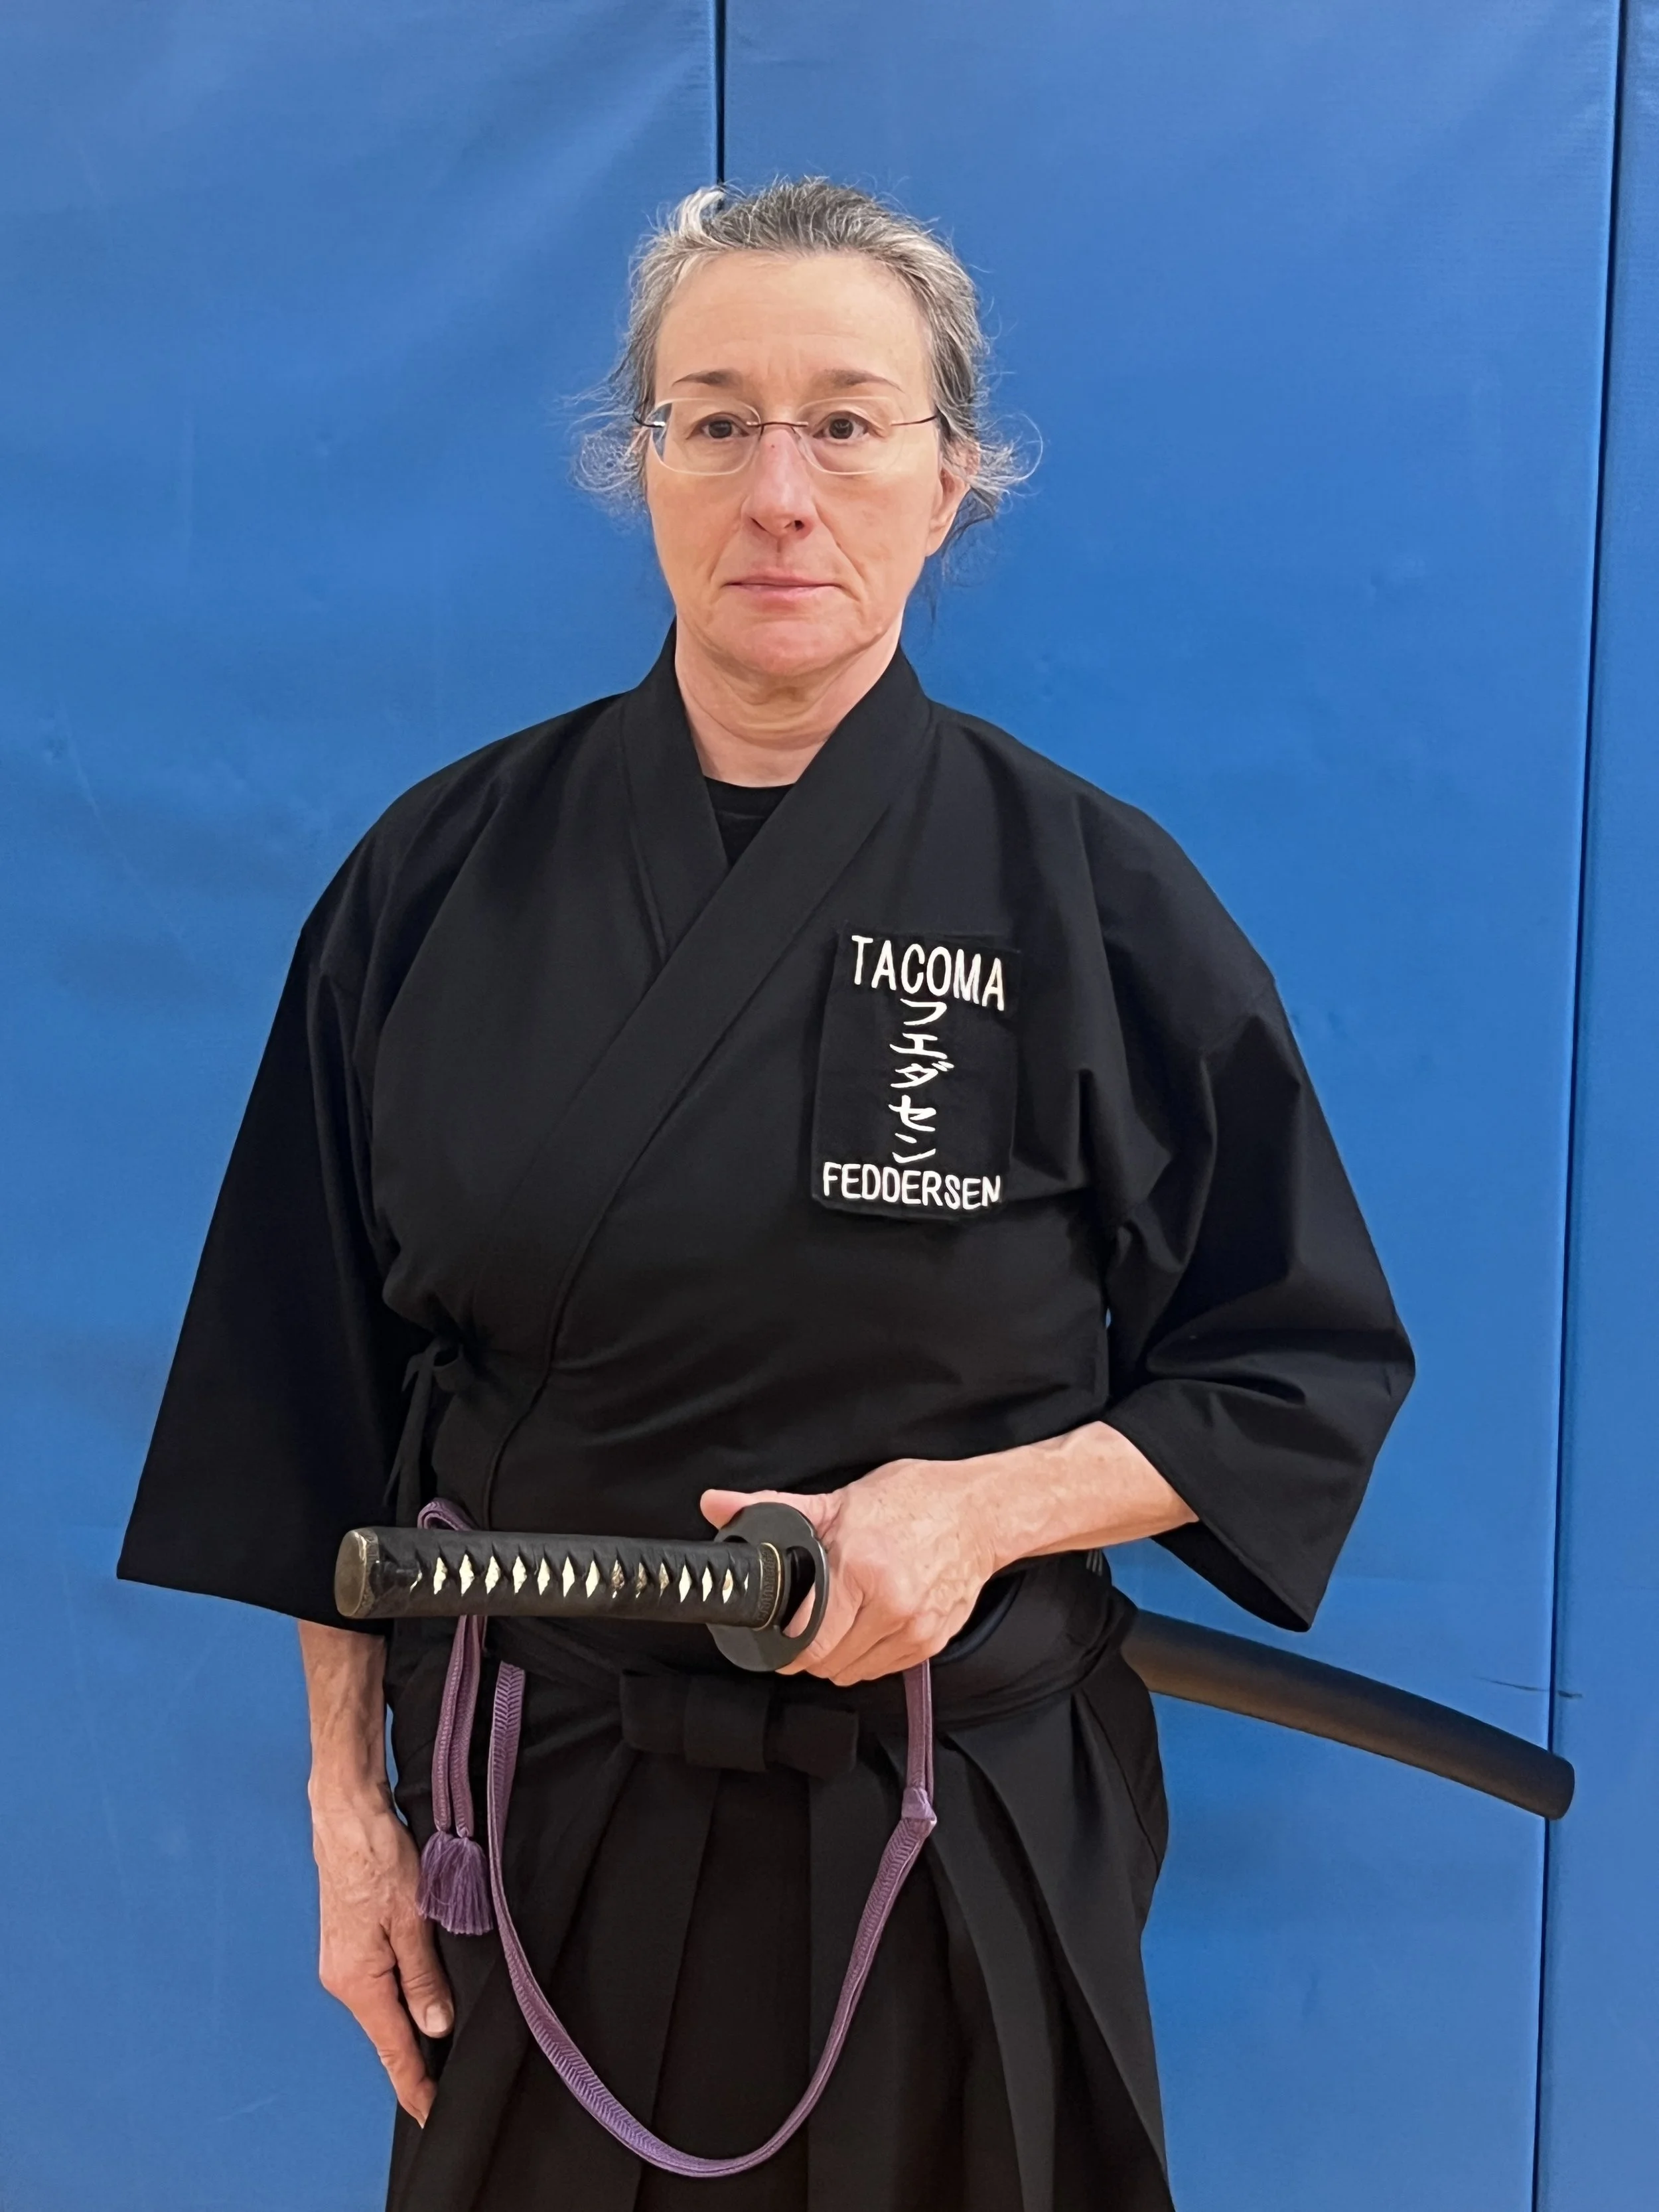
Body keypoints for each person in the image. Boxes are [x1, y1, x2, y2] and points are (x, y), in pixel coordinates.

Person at [119, 178, 1413, 2212]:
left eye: (847, 422)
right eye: (714, 421)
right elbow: (305, 1397)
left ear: (950, 477)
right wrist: (343, 1809)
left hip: (948, 1816)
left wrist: (976, 1512)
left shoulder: (1091, 897)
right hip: (535, 1822)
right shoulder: (439, 877)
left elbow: (1291, 1363)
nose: (779, 492)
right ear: (637, 465)